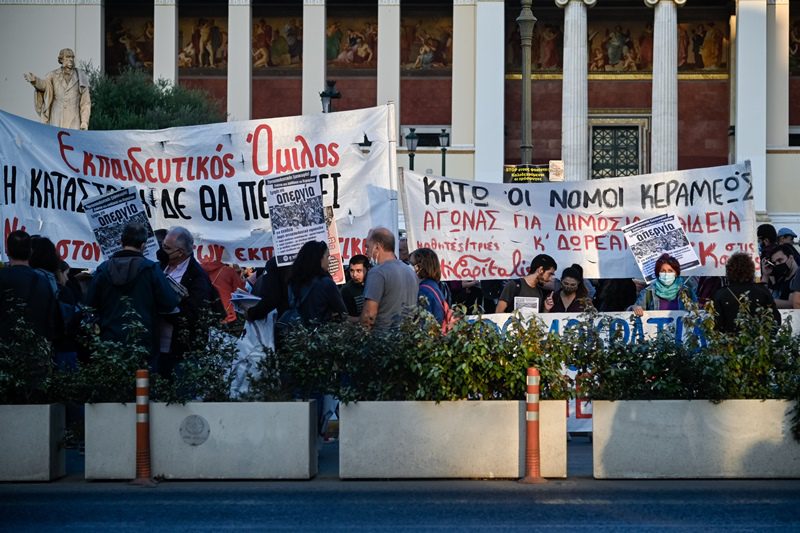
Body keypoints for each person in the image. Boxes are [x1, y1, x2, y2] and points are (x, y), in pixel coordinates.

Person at [87, 222, 179, 364]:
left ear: (120, 242)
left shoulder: (103, 269)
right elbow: (169, 303)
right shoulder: (151, 269)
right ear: (143, 246)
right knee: (142, 384)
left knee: (114, 385)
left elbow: (89, 304)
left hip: (110, 343)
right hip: (143, 344)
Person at [159, 226, 217, 378]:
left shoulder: (197, 277)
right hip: (157, 348)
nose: (161, 250)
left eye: (166, 247)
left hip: (182, 351)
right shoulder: (159, 266)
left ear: (180, 252)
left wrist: (165, 310)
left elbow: (195, 314)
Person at [0, 230, 60, 343]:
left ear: (7, 251)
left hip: (6, 350)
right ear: (30, 252)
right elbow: (50, 320)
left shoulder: (2, 277)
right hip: (35, 350)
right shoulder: (45, 282)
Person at [360, 227, 418, 331]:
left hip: (384, 340)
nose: (366, 252)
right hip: (408, 339)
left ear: (377, 247)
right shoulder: (410, 272)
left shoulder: (377, 272)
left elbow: (369, 314)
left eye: (368, 247)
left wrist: (362, 337)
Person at [24, 48, 91, 130]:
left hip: (74, 118)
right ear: (61, 59)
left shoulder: (81, 76)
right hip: (56, 117)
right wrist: (35, 81)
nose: (71, 59)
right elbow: (45, 86)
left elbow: (85, 102)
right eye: (68, 57)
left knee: (72, 141)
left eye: (72, 57)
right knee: (55, 141)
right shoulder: (53, 75)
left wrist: (84, 122)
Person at [712, 252, 780, 334]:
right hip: (758, 343)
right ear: (751, 270)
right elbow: (775, 320)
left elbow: (717, 324)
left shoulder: (721, 294)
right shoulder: (762, 291)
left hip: (730, 343)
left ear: (729, 271)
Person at [284, 240, 347, 326]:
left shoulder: (293, 282)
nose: (329, 262)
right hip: (322, 334)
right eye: (327, 257)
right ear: (319, 258)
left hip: (298, 335)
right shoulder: (326, 283)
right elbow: (343, 313)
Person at [632, 254, 697, 315]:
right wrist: (635, 308)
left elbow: (697, 312)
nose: (666, 274)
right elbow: (631, 312)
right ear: (658, 273)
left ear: (676, 273)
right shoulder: (648, 292)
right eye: (663, 271)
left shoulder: (687, 292)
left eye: (670, 271)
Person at [409, 248, 448, 325]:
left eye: (411, 264)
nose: (408, 267)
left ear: (419, 267)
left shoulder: (423, 291)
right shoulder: (433, 285)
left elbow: (423, 325)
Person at [201, 257, 245, 324]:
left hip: (205, 312)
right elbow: (240, 292)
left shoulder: (196, 270)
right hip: (227, 312)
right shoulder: (228, 271)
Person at [766, 244, 797, 309]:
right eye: (774, 263)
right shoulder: (781, 277)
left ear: (791, 258)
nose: (777, 264)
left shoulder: (797, 277)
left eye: (780, 260)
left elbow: (793, 304)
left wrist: (767, 301)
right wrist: (766, 275)